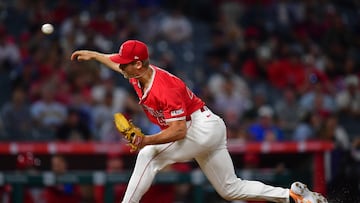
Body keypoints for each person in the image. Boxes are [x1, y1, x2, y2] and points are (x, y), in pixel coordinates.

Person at [71, 39, 327, 203]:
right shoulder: (138, 74)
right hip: (208, 126)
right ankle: (295, 196)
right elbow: (118, 66)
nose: (121, 67)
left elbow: (179, 130)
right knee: (230, 189)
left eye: (125, 64)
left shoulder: (163, 87)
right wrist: (95, 55)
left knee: (147, 154)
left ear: (138, 64)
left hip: (197, 128)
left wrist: (146, 139)